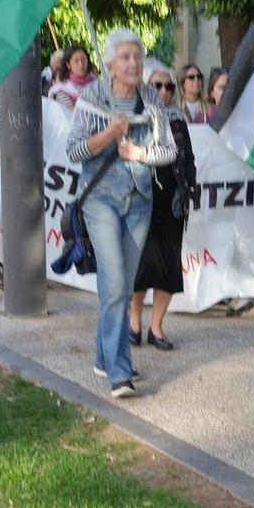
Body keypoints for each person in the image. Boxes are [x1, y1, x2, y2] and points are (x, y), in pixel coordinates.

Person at [67, 29, 177, 399]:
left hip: (139, 200)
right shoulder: (92, 97)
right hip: (100, 200)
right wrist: (108, 136)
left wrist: (142, 154)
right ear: (111, 65)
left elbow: (169, 151)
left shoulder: (151, 99)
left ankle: (104, 355)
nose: (134, 63)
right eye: (126, 57)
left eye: (138, 57)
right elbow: (74, 150)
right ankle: (119, 372)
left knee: (123, 286)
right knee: (114, 284)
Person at [129, 62, 197, 351]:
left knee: (168, 266)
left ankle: (157, 328)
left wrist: (187, 189)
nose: (164, 91)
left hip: (172, 203)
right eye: (157, 85)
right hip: (141, 200)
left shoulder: (178, 119)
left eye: (168, 86)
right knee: (142, 265)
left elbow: (188, 159)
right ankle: (134, 322)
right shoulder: (133, 117)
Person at [48, 45, 94, 110]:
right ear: (68, 64)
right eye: (76, 61)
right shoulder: (62, 89)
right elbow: (72, 112)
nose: (81, 64)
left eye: (83, 60)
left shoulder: (96, 84)